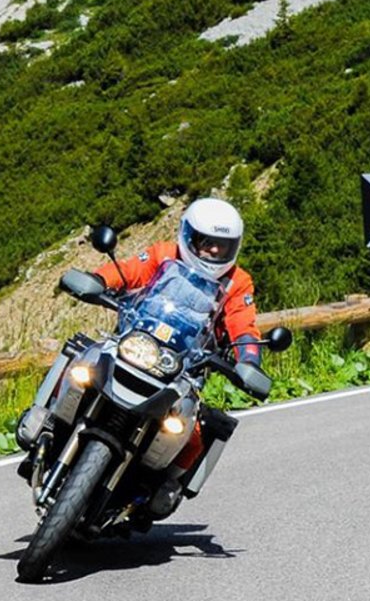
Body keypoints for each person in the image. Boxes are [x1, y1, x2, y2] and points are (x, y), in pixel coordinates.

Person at [16, 198, 261, 513]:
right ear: (190, 236)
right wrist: (100, 281)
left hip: (183, 368)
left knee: (192, 431)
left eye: (223, 246)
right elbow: (131, 271)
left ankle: (165, 486)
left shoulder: (237, 282)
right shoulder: (163, 254)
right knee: (83, 361)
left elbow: (244, 323)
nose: (214, 251)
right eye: (207, 242)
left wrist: (249, 358)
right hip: (133, 344)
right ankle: (45, 420)